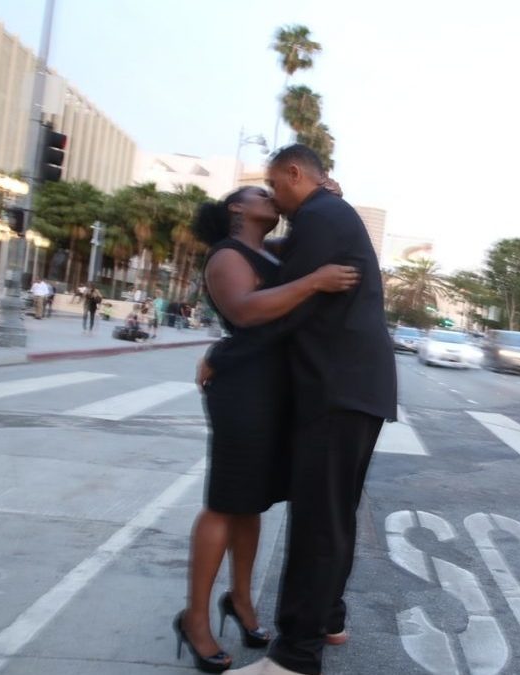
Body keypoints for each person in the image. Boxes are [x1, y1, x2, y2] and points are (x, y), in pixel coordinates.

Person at [208, 145, 396, 675]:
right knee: (332, 518)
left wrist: (222, 353)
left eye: (274, 184)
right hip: (353, 389)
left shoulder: (318, 215)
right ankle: (328, 617)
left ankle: (294, 658)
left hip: (337, 390)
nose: (274, 197)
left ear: (294, 174)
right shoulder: (328, 214)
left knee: (318, 523)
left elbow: (280, 311)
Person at [172, 185, 359, 674]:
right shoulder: (226, 256)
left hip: (274, 390)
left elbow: (304, 245)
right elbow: (246, 311)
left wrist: (324, 196)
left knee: (251, 502)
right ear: (238, 208)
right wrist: (315, 281)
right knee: (225, 501)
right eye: (261, 194)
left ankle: (241, 600)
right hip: (242, 390)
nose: (272, 198)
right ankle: (194, 618)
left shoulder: (267, 251)